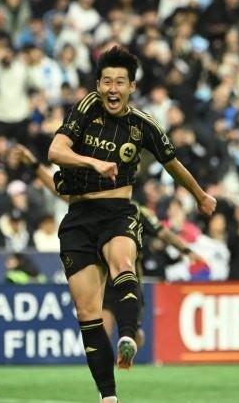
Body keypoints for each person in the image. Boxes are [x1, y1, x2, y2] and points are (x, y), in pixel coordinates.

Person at [46, 47, 216, 402]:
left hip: (118, 210)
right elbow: (55, 151)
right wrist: (93, 163)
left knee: (123, 263)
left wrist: (200, 196)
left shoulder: (143, 125)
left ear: (131, 87)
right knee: (87, 312)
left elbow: (172, 163)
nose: (112, 88)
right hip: (78, 216)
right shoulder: (86, 107)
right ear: (98, 84)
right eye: (106, 81)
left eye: (120, 82)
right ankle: (108, 397)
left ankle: (128, 334)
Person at [13, 143, 205, 346]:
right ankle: (115, 355)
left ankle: (130, 340)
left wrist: (186, 250)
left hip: (127, 281)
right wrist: (35, 165)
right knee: (103, 337)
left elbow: (162, 232)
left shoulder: (134, 210)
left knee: (133, 337)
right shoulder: (90, 203)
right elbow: (58, 190)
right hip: (104, 283)